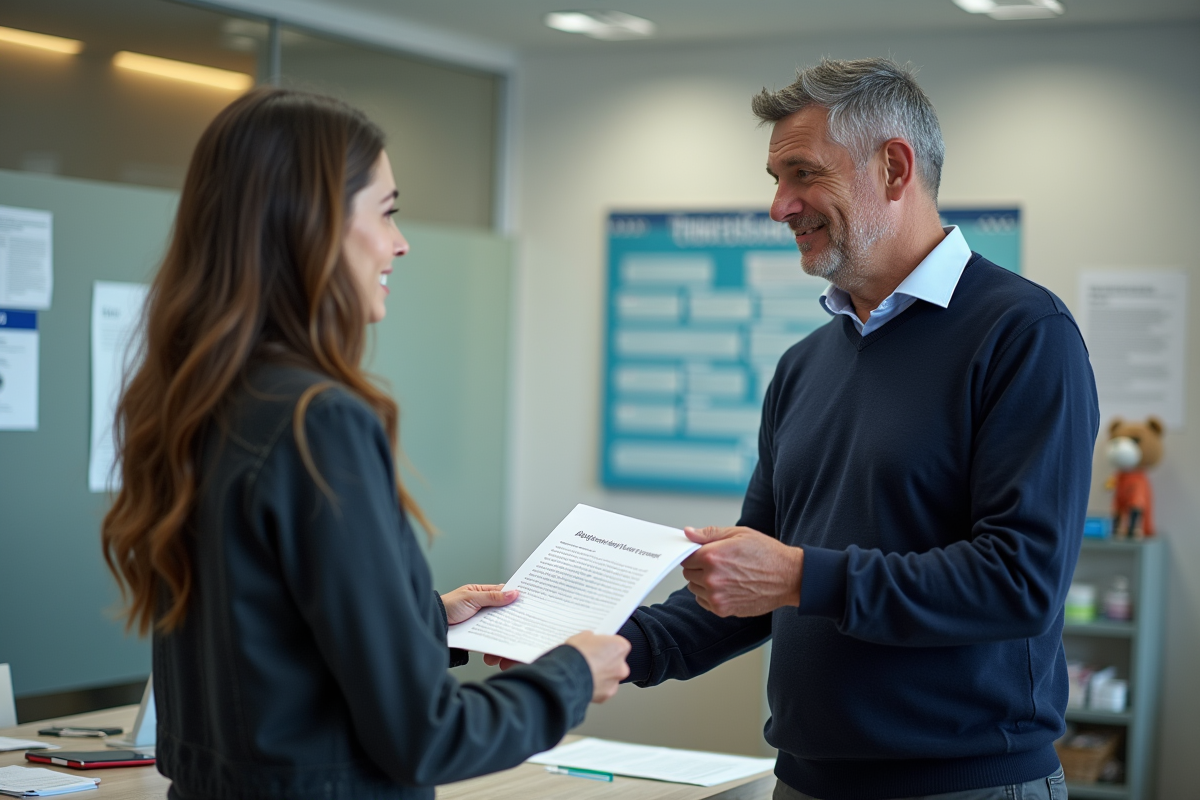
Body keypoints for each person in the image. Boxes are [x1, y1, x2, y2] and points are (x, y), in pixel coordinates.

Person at [99, 88, 629, 800]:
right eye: (386, 212)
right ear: (311, 224)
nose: (400, 242)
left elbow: (262, 639)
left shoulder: (197, 400)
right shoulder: (317, 420)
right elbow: (426, 738)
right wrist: (571, 675)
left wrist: (425, 619)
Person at [617, 58, 1097, 800]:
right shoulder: (804, 364)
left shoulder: (1025, 333)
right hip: (805, 781)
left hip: (965, 785)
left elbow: (1019, 582)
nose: (779, 207)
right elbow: (755, 582)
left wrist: (799, 576)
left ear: (894, 168)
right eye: (775, 180)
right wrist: (613, 647)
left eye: (803, 175)